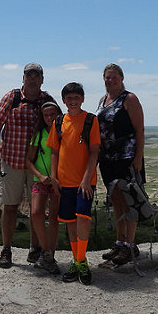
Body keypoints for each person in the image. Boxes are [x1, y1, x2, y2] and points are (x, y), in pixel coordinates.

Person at [0, 63, 55, 268]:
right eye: (29, 75)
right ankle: (6, 250)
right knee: (10, 207)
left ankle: (34, 249)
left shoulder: (47, 101)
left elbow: (58, 129)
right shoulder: (12, 97)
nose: (33, 79)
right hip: (13, 161)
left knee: (37, 210)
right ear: (23, 78)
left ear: (42, 79)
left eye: (37, 76)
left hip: (38, 166)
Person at [47, 82, 100, 285]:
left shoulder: (90, 121)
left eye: (77, 97)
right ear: (64, 101)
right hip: (64, 181)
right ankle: (79, 261)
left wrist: (86, 179)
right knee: (70, 222)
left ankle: (79, 260)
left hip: (84, 181)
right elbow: (53, 151)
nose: (73, 101)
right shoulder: (59, 122)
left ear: (83, 99)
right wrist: (53, 176)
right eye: (69, 98)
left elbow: (94, 151)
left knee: (83, 218)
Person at [96, 63, 145, 265]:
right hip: (107, 160)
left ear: (122, 78)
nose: (110, 80)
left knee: (130, 201)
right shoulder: (103, 100)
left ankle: (130, 245)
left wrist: (137, 158)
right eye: (107, 77)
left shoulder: (130, 99)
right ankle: (119, 242)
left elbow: (139, 130)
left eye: (114, 77)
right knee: (116, 200)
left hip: (126, 158)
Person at [26, 101, 62, 275]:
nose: (49, 118)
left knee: (54, 218)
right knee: (36, 213)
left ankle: (49, 256)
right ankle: (46, 251)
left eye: (52, 114)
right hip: (41, 180)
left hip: (58, 182)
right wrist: (40, 176)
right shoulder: (38, 135)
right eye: (46, 115)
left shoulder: (64, 133)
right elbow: (29, 161)